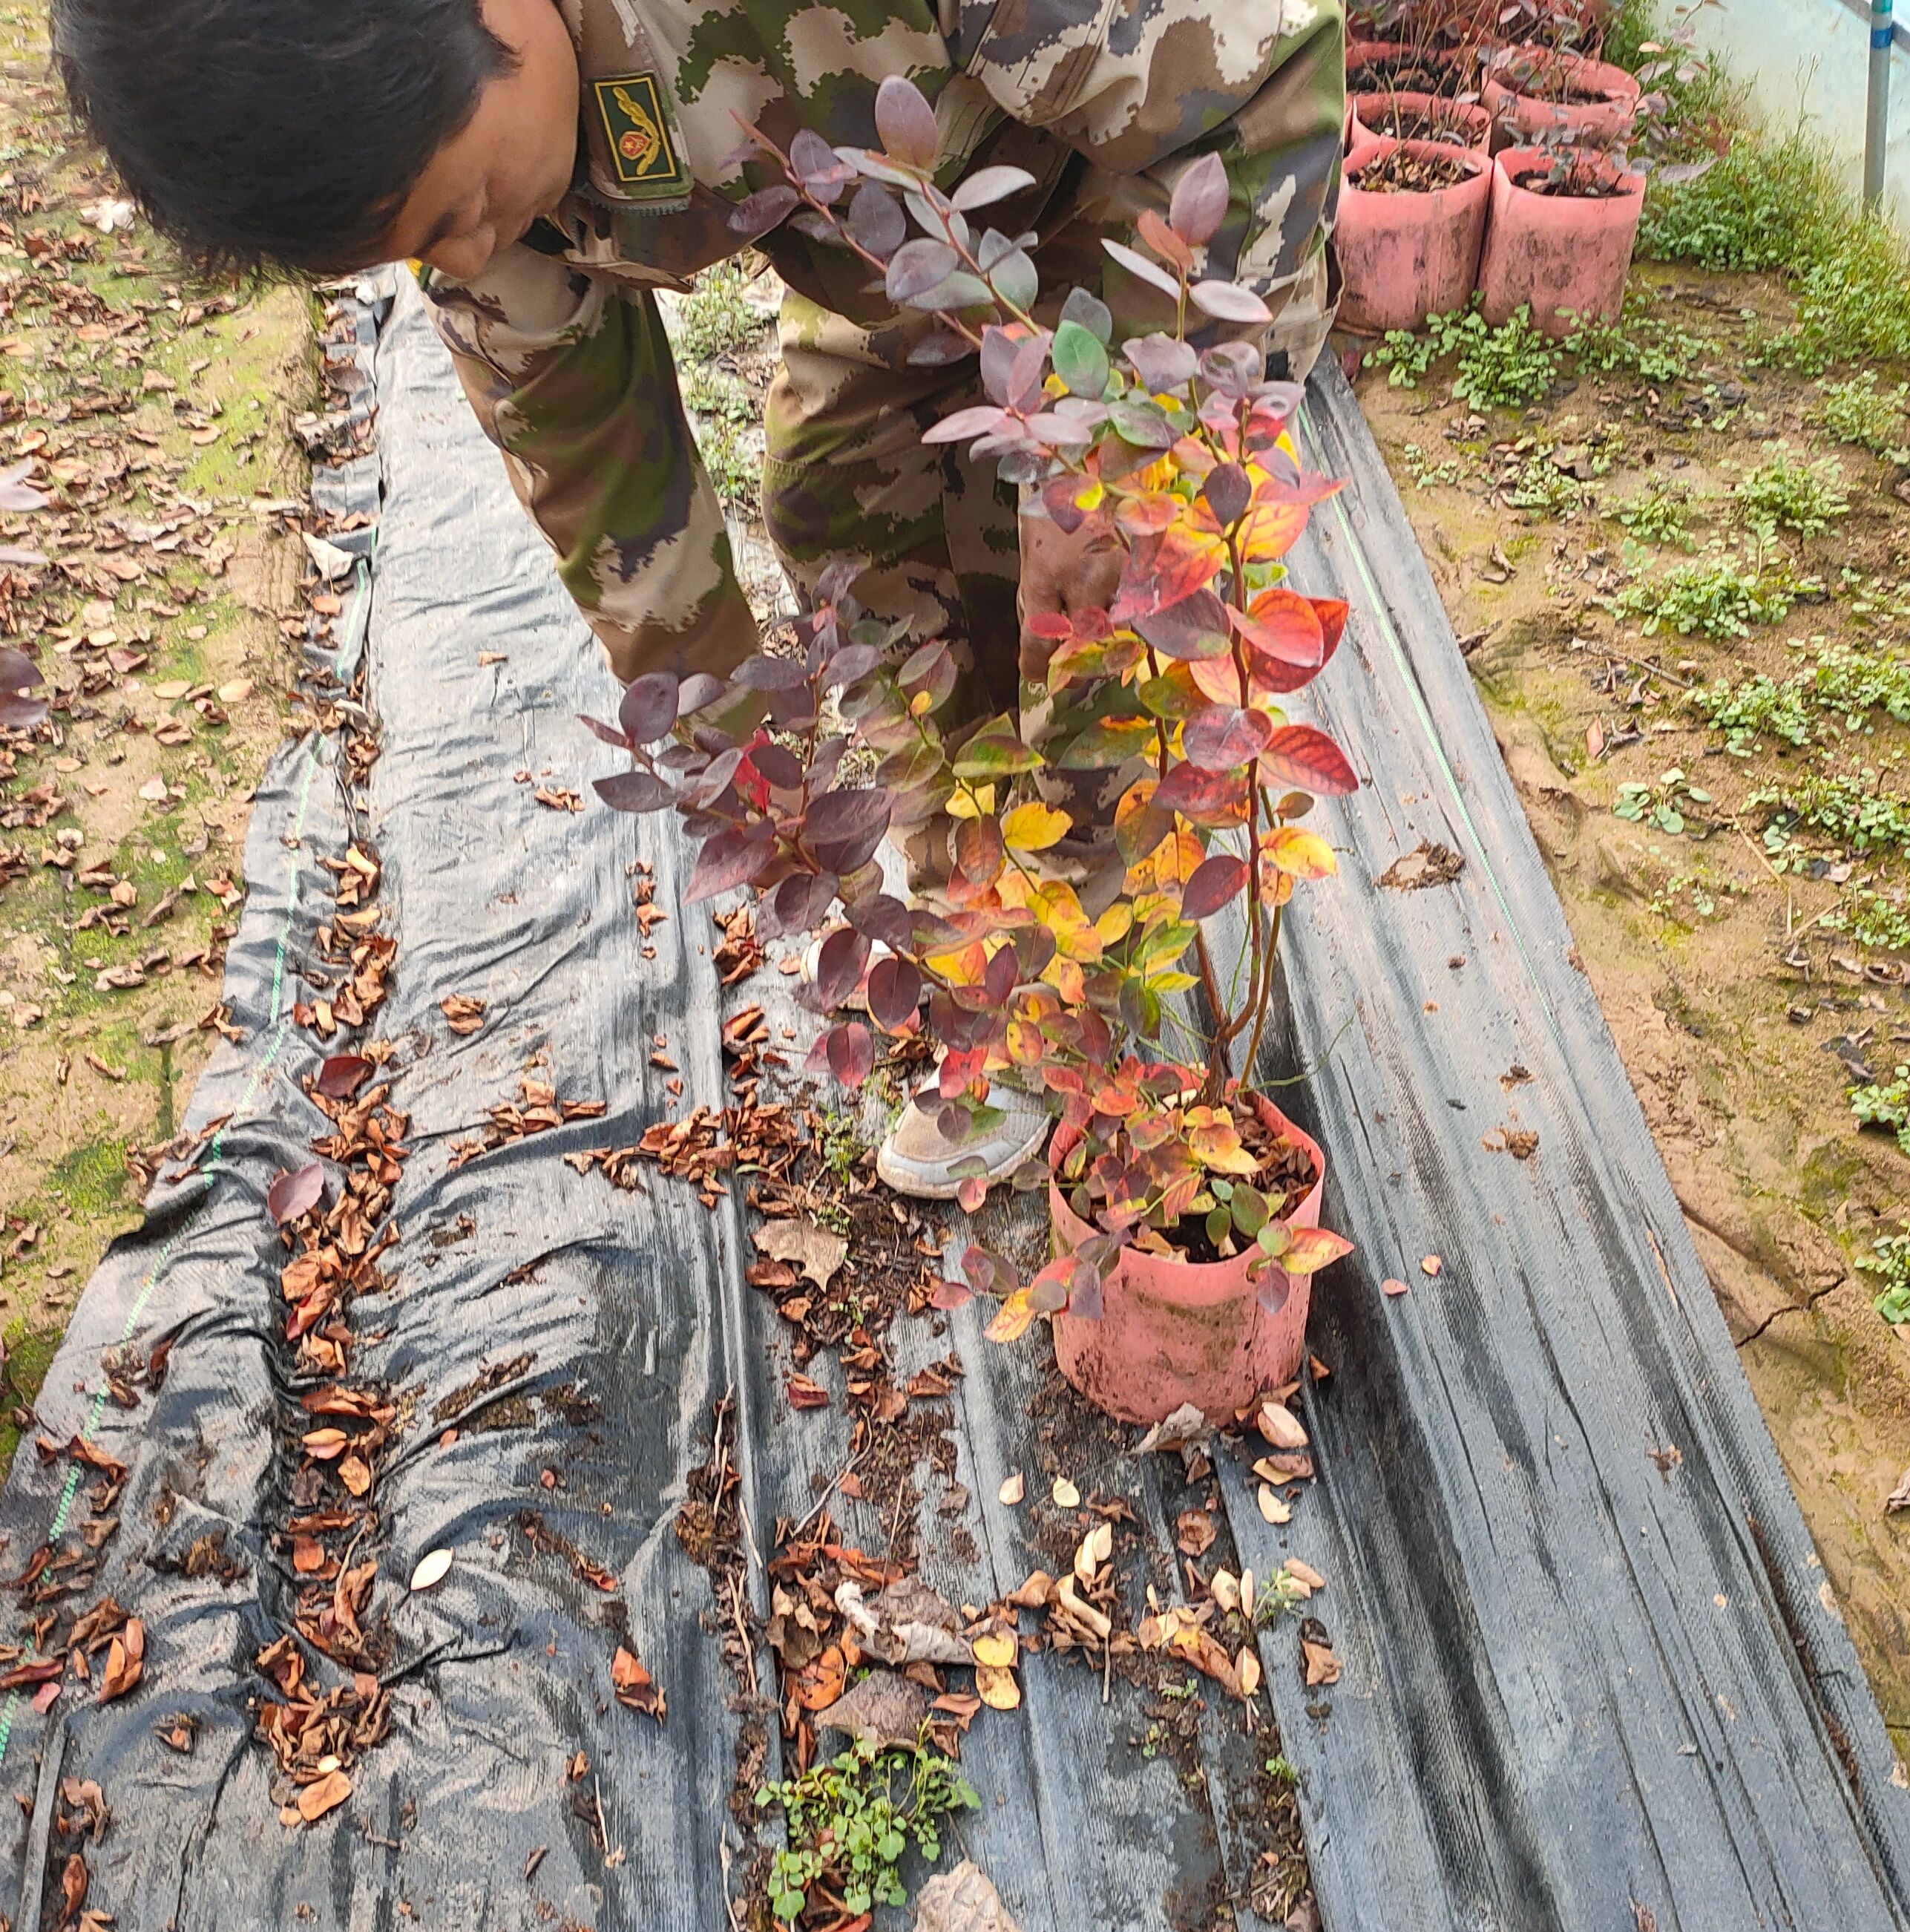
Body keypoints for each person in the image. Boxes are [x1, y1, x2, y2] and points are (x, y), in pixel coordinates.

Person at [53, 0, 1343, 1189]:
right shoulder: (448, 145)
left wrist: (1128, 448)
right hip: (902, 244)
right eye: (416, 246)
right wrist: (746, 761)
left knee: (1107, 617)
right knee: (841, 502)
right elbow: (600, 474)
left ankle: (1079, 981)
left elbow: (1263, 78)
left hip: (1144, 209)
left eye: (458, 210)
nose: (470, 252)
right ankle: (992, 945)